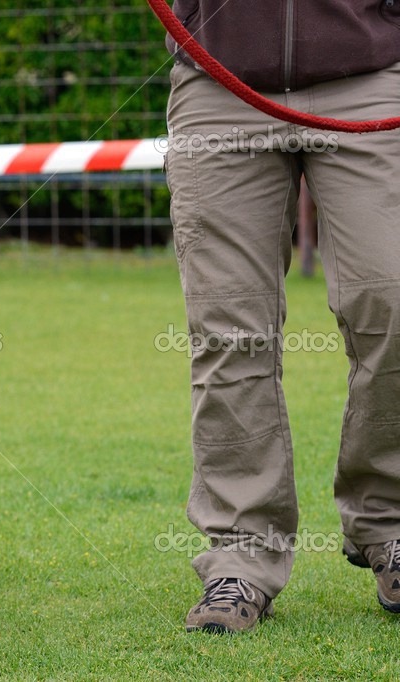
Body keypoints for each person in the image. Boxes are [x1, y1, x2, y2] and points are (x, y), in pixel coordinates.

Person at [163, 1, 400, 633]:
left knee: (393, 302)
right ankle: (240, 554)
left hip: (370, 70)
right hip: (218, 77)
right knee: (228, 329)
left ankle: (392, 524)